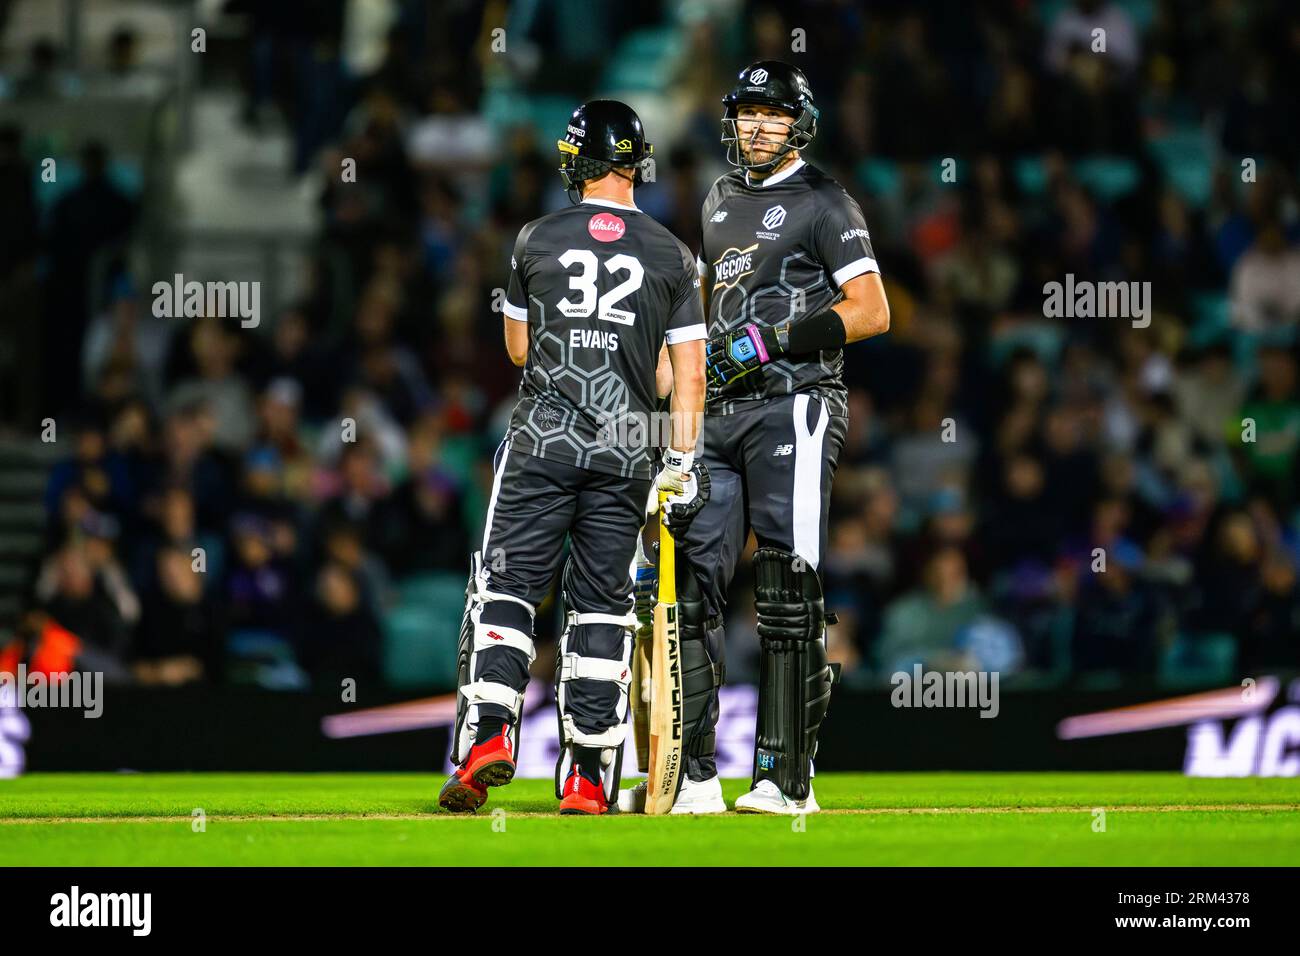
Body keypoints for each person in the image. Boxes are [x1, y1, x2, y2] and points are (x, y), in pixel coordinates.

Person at [627, 61, 891, 814]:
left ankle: (786, 780)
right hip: (717, 416)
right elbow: (706, 308)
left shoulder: (826, 202)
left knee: (784, 587)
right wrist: (664, 384)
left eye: (772, 114)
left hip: (796, 405)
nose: (756, 126)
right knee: (684, 587)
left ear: (799, 122)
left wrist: (769, 342)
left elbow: (872, 310)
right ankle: (698, 775)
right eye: (746, 112)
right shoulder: (717, 198)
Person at [438, 100, 709, 815]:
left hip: (543, 444)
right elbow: (687, 377)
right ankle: (588, 776)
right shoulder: (676, 255)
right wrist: (680, 462)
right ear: (635, 162)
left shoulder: (533, 239)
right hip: (627, 452)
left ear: (578, 160)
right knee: (602, 611)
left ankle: (489, 738)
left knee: (506, 589)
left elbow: (520, 351)